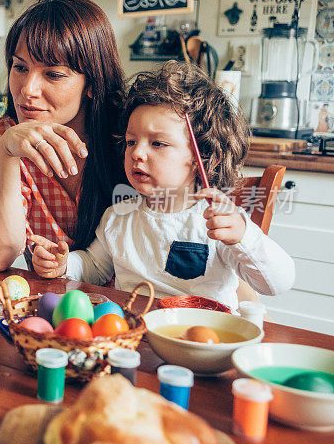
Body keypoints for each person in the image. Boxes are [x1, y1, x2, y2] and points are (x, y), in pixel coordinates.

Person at [33, 61, 294, 310]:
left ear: (200, 157)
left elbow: (277, 283)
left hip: (201, 341)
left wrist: (244, 236)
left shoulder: (219, 222)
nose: (137, 153)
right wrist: (64, 264)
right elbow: (94, 267)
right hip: (135, 336)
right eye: (131, 141)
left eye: (157, 143)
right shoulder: (118, 216)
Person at [0, 0, 128, 270]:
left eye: (53, 74)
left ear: (92, 83)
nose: (27, 89)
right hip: (46, 302)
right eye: (20, 67)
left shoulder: (128, 137)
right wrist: (7, 153)